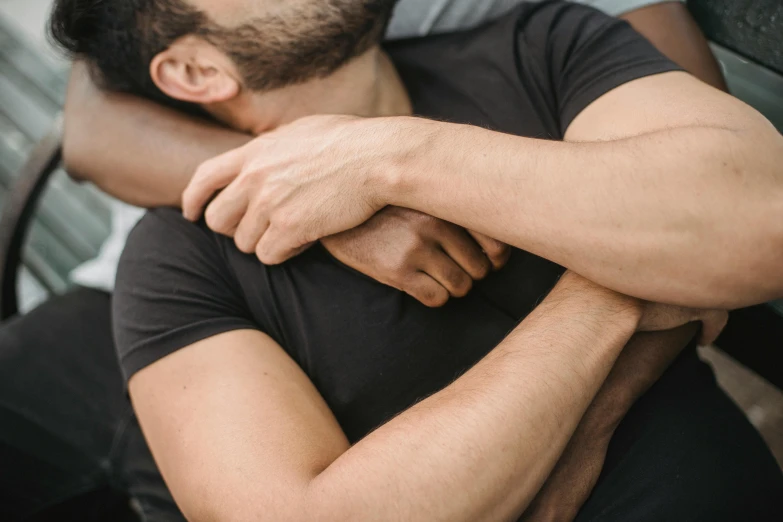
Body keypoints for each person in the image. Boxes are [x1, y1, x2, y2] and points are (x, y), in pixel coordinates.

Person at [0, 2, 776, 522]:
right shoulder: (173, 260)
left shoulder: (547, 45)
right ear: (198, 72)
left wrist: (392, 158)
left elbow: (758, 219)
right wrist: (614, 293)